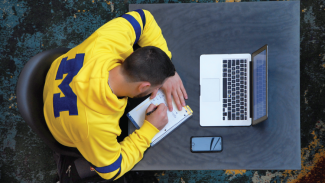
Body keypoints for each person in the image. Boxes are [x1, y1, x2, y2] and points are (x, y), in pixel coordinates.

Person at [43, 9, 188, 182]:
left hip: (56, 81)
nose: (155, 92)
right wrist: (150, 129)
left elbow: (144, 17)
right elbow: (112, 170)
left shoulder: (109, 41)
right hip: (67, 129)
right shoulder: (96, 126)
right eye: (155, 89)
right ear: (144, 86)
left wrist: (168, 71)